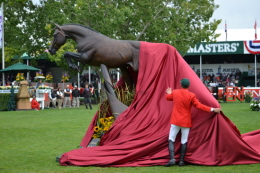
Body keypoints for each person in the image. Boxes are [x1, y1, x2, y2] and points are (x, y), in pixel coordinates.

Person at [164, 78, 221, 167]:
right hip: (186, 121)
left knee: (171, 139)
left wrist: (169, 93)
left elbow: (168, 98)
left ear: (181, 84)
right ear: (188, 86)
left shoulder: (175, 92)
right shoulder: (191, 95)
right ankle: (181, 161)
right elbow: (200, 106)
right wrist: (213, 109)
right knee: (184, 140)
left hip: (175, 120)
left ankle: (172, 159)